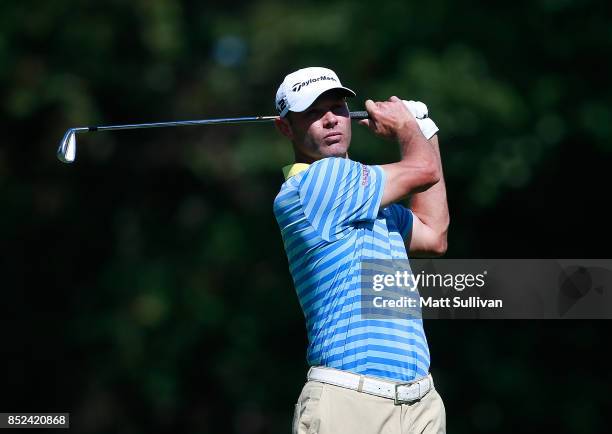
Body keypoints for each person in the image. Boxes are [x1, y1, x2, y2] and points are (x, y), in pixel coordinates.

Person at [273, 66, 449, 434]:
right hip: (349, 400)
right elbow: (422, 170)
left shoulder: (369, 201)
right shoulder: (316, 184)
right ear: (285, 127)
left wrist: (425, 130)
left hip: (420, 401)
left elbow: (434, 235)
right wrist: (409, 129)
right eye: (312, 113)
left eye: (337, 107)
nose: (330, 120)